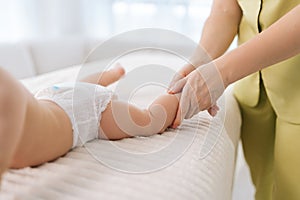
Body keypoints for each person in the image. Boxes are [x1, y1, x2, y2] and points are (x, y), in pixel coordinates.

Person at [168, 0, 300, 199]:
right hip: (254, 88)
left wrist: (222, 72)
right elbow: (225, 8)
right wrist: (200, 61)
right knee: (265, 190)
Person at [0, 64, 179, 183]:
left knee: (149, 120)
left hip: (83, 110)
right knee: (78, 87)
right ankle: (110, 75)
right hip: (52, 96)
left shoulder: (6, 94)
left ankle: (179, 92)